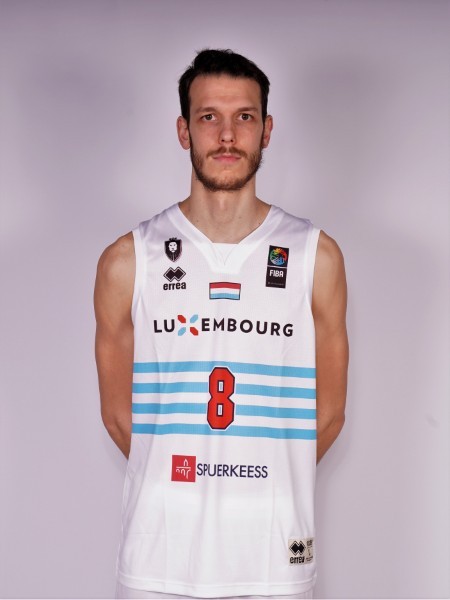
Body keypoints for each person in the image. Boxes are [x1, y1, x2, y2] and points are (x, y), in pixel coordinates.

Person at [94, 49, 348, 600]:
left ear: (267, 130)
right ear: (184, 131)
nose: (227, 135)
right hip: (159, 561)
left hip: (274, 563)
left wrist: (266, 473)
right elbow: (118, 417)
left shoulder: (315, 256)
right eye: (209, 116)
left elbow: (328, 416)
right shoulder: (128, 260)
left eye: (244, 117)